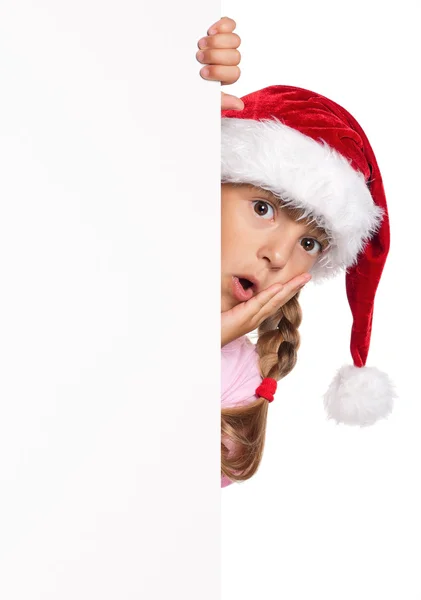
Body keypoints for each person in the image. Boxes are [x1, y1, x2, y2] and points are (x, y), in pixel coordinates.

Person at [197, 17, 396, 488]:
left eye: (310, 242)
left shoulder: (242, 380)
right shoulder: (116, 252)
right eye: (263, 207)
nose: (278, 255)